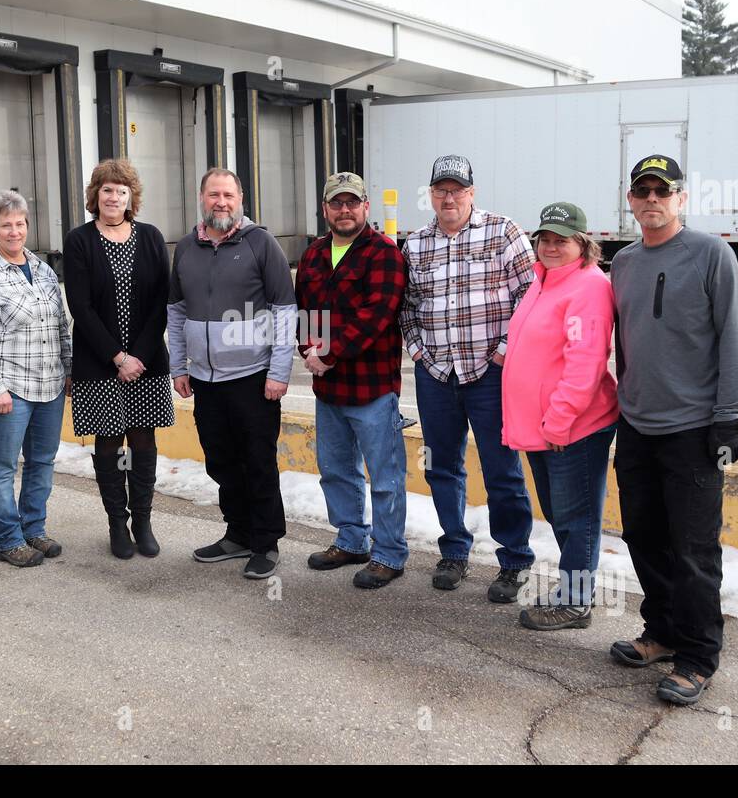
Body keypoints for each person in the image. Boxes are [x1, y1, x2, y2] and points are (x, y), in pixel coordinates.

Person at [609, 154, 738, 706]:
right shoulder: (622, 262)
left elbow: (734, 336)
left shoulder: (712, 255)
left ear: (681, 198)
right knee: (643, 536)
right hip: (637, 424)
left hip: (695, 429)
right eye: (642, 192)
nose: (651, 200)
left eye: (661, 192)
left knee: (693, 549)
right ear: (630, 200)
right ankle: (663, 632)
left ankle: (698, 655)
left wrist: (729, 416)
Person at [399, 154, 537, 601]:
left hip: (490, 373)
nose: (449, 197)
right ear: (431, 194)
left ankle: (514, 559)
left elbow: (531, 295)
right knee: (442, 466)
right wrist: (418, 351)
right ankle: (454, 550)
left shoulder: (503, 232)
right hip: (436, 373)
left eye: (457, 190)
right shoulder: (416, 243)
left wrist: (503, 352)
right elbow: (407, 306)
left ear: (472, 193)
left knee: (502, 469)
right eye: (441, 190)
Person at [168, 167, 295, 579]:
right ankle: (237, 534)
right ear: (201, 198)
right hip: (205, 379)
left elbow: (284, 310)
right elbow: (177, 311)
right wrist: (178, 365)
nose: (220, 202)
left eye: (228, 195)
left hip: (253, 376)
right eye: (213, 194)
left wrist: (279, 372)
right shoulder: (186, 247)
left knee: (257, 460)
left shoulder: (261, 244)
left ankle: (266, 541)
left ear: (241, 199)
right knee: (220, 460)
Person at [501, 202, 619, 630]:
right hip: (544, 428)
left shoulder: (587, 288)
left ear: (583, 245)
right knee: (559, 514)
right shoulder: (543, 281)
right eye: (545, 238)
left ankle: (576, 600)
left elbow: (584, 363)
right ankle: (574, 589)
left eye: (561, 240)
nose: (551, 246)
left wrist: (560, 421)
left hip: (571, 429)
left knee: (578, 517)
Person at [296, 172, 409, 589]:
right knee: (336, 471)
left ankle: (389, 553)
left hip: (371, 388)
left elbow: (376, 316)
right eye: (336, 203)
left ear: (365, 207)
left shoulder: (383, 254)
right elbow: (304, 311)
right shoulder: (312, 255)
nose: (345, 210)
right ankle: (350, 540)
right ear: (325, 209)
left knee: (384, 475)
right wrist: (308, 349)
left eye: (352, 203)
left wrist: (329, 352)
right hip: (328, 389)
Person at [63, 159, 174, 560]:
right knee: (108, 441)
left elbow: (162, 301)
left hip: (146, 362)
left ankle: (143, 521)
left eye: (121, 191)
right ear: (96, 195)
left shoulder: (150, 237)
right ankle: (116, 524)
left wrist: (137, 356)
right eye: (107, 190)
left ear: (131, 197)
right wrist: (117, 356)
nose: (113, 197)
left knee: (143, 440)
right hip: (99, 362)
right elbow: (81, 305)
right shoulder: (79, 241)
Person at [0, 191, 73, 567]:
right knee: (2, 467)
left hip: (49, 385)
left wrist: (69, 368)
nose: (14, 231)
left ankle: (34, 528)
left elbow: (62, 324)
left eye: (20, 224)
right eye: (5, 225)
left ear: (27, 226)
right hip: (9, 389)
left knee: (42, 461)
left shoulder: (44, 271)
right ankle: (7, 539)